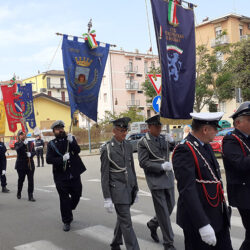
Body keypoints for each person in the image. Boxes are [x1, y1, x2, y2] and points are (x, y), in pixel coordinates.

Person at [172, 112, 233, 250]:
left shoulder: (205, 145)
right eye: (215, 128)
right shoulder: (185, 149)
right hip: (198, 221)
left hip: (217, 216)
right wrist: (202, 224)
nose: (217, 132)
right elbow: (188, 190)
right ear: (205, 129)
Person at [100, 117, 139, 250]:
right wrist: (107, 197)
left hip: (129, 189)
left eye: (125, 130)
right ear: (114, 131)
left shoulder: (128, 145)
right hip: (117, 191)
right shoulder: (107, 149)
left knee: (123, 219)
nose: (124, 133)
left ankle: (116, 242)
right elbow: (105, 175)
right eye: (121, 130)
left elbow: (131, 168)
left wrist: (136, 188)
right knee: (127, 223)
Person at [137, 115, 176, 250]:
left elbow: (170, 149)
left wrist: (172, 142)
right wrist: (160, 167)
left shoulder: (162, 138)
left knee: (170, 206)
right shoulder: (143, 142)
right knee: (164, 213)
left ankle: (153, 224)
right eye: (156, 126)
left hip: (168, 178)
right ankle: (168, 243)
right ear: (149, 127)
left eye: (160, 126)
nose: (159, 129)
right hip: (156, 180)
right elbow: (143, 163)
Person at [46, 120, 86, 232]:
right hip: (60, 176)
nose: (61, 130)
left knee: (77, 193)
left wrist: (72, 141)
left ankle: (70, 207)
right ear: (54, 131)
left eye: (62, 128)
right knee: (64, 199)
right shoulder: (51, 144)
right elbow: (49, 160)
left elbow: (77, 151)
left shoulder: (70, 139)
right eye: (58, 129)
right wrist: (61, 159)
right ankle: (67, 221)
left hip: (74, 173)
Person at [222, 101, 250, 250]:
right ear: (238, 122)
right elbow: (240, 164)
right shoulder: (231, 139)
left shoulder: (247, 137)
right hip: (243, 194)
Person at [14, 130, 36, 201]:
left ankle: (30, 195)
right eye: (21, 135)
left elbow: (34, 152)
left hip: (30, 165)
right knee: (21, 180)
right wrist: (23, 143)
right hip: (21, 165)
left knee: (31, 180)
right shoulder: (17, 143)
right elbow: (17, 149)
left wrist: (31, 154)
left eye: (23, 134)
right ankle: (19, 192)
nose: (22, 135)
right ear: (18, 136)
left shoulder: (30, 143)